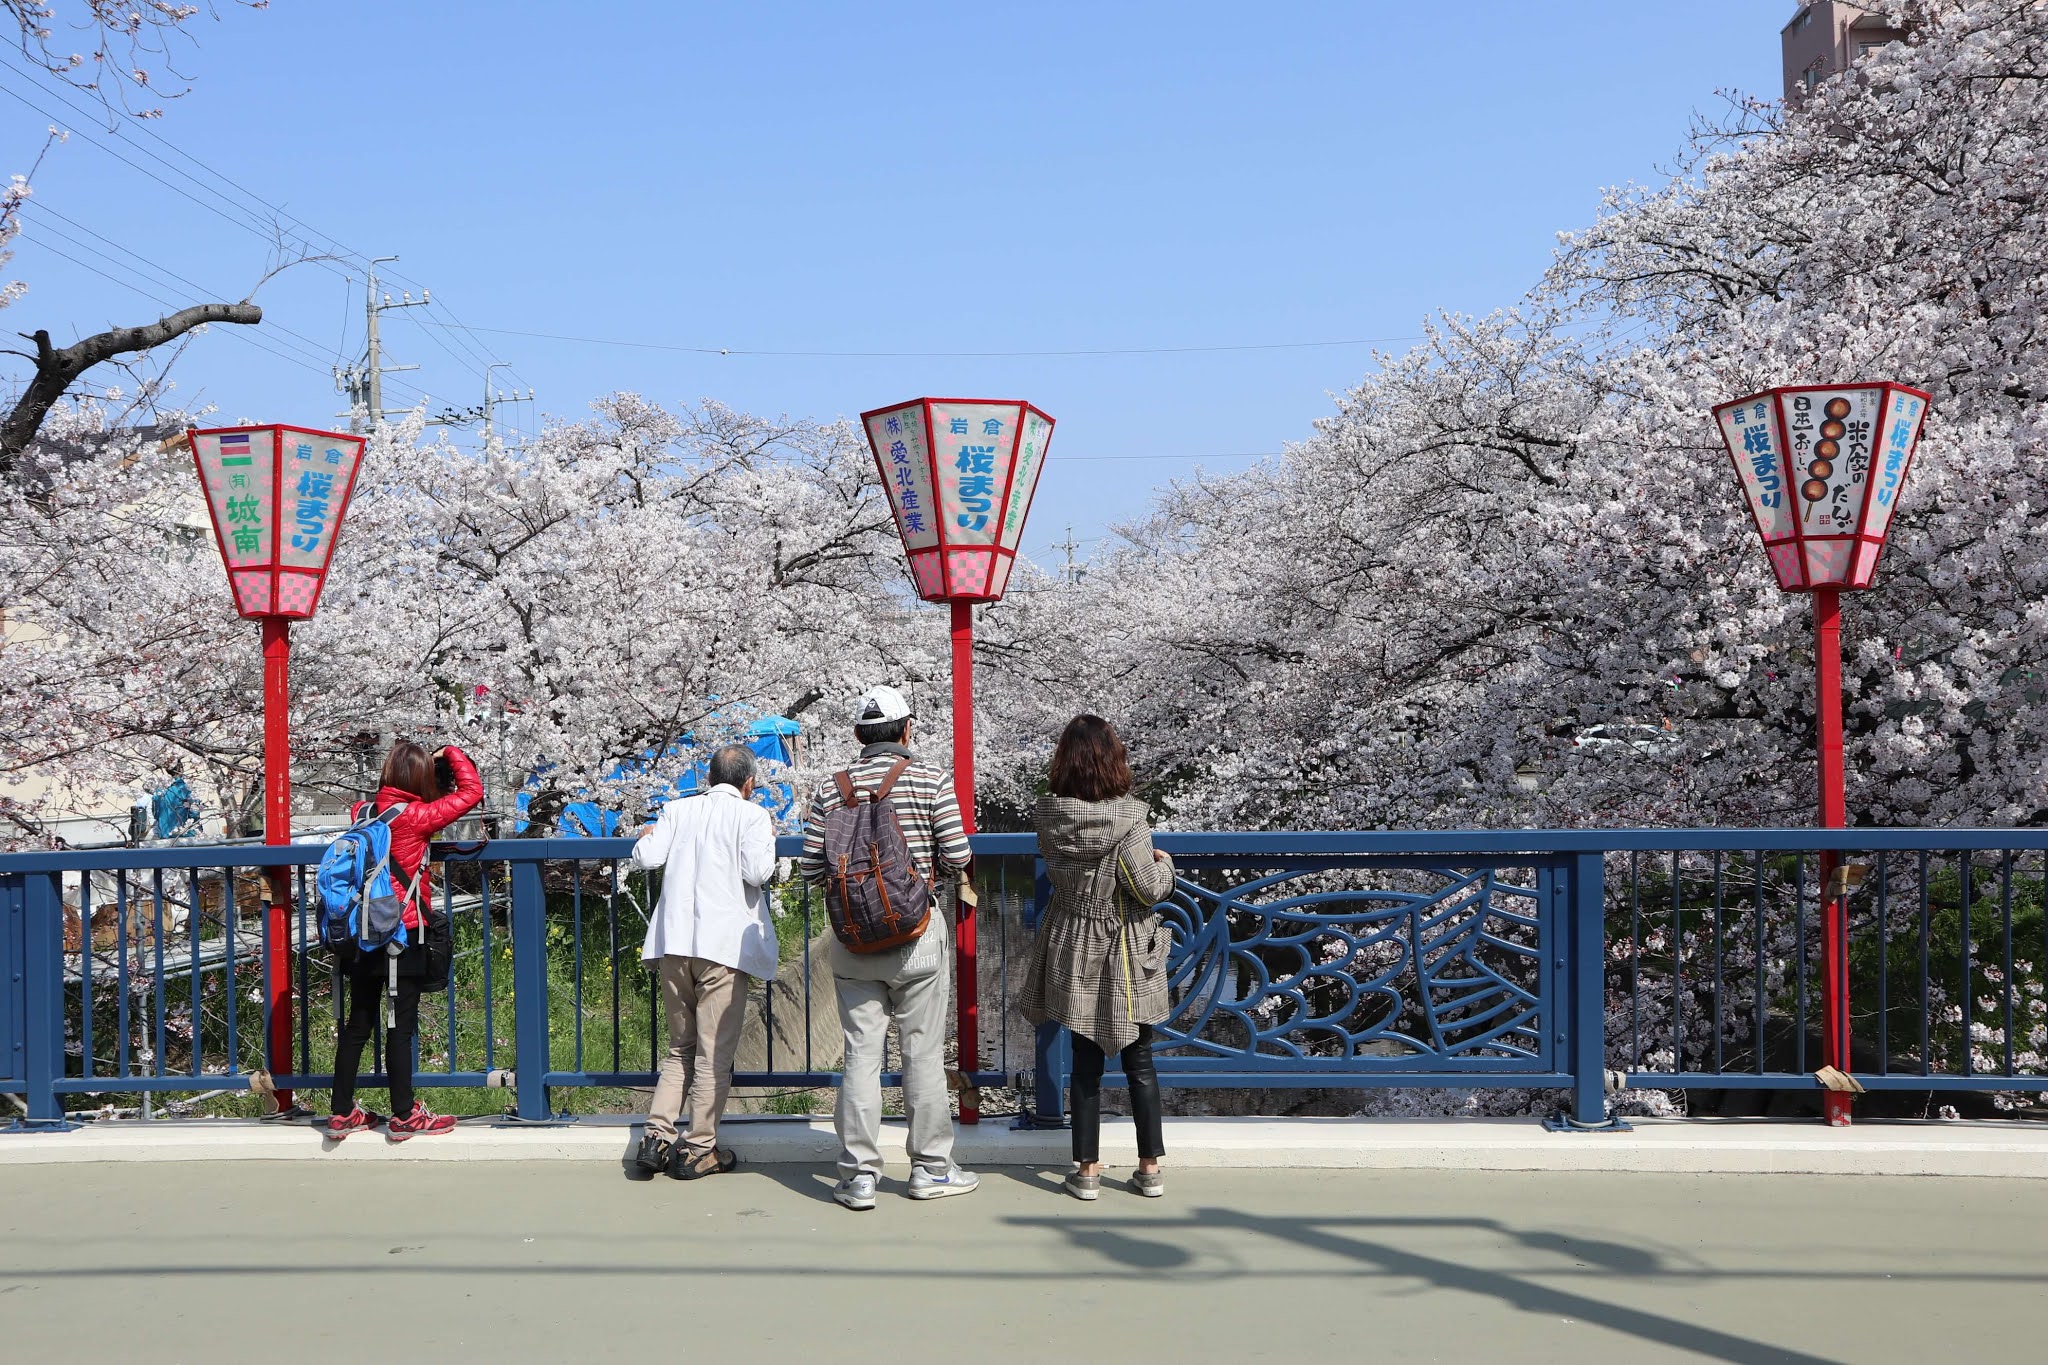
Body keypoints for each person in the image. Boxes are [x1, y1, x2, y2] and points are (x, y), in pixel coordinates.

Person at [799, 684, 977, 1210]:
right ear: (907, 731)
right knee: (921, 1054)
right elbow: (959, 851)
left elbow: (812, 867)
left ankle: (858, 1176)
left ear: (858, 736)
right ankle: (930, 1169)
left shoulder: (831, 790)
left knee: (861, 1056)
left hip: (853, 943)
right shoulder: (929, 779)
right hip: (917, 937)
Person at [1021, 714, 1176, 1200]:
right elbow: (1146, 890)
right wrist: (1165, 863)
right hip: (1125, 945)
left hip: (1072, 939)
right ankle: (1149, 1169)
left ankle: (1086, 1172)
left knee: (1085, 1061)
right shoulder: (1130, 820)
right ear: (1114, 761)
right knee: (1140, 1061)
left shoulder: (1049, 818)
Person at [626, 744, 782, 1180]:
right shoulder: (752, 816)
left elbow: (647, 857)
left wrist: (642, 841)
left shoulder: (677, 809)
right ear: (748, 783)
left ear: (710, 778)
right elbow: (757, 873)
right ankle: (698, 1148)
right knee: (713, 1057)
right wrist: (768, 843)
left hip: (674, 944)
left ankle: (655, 1138)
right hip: (723, 949)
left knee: (681, 1049)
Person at [327, 739, 483, 1141]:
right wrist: (449, 752)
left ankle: (341, 1113)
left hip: (362, 932)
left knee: (358, 1023)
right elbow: (472, 793)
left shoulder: (361, 812)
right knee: (400, 1025)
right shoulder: (416, 817)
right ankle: (404, 1115)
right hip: (402, 934)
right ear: (420, 776)